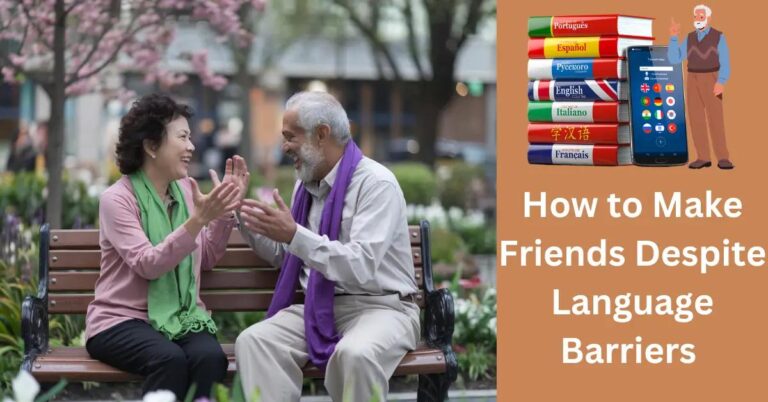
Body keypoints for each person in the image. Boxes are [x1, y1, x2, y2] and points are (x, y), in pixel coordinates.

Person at [234, 91, 420, 402]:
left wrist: (294, 235)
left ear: (321, 134)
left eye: (290, 136)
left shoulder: (376, 184)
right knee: (255, 341)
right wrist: (239, 211)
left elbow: (360, 265)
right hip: (318, 306)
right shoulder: (304, 184)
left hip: (383, 307)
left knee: (355, 354)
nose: (284, 147)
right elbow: (286, 255)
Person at [85, 94, 250, 399]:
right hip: (120, 320)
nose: (192, 146)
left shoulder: (186, 191)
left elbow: (207, 258)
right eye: (183, 137)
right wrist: (197, 221)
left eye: (190, 137)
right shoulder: (117, 199)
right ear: (151, 146)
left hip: (181, 316)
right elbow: (148, 264)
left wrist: (225, 211)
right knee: (168, 359)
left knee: (210, 358)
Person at [669, 4, 733, 169]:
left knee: (716, 119)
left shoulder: (718, 36)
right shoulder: (689, 37)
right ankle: (703, 157)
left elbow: (725, 61)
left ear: (708, 18)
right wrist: (674, 37)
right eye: (696, 16)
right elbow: (675, 58)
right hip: (692, 78)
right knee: (695, 118)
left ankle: (723, 157)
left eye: (701, 16)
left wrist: (721, 81)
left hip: (712, 78)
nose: (698, 19)